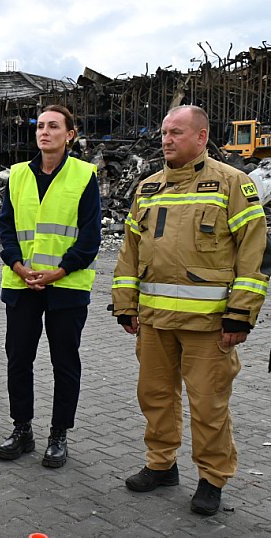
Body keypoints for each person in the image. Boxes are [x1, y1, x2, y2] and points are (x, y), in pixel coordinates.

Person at [112, 105, 268, 516]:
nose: (166, 139)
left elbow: (256, 255)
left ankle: (212, 478)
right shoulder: (147, 188)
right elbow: (129, 251)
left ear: (201, 137)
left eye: (176, 132)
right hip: (154, 322)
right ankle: (161, 465)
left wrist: (241, 314)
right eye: (164, 132)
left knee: (208, 405)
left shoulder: (233, 183)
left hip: (209, 325)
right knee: (155, 397)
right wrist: (126, 305)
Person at [0, 104, 101, 468]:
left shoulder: (84, 176)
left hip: (66, 286)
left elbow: (90, 237)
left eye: (53, 126)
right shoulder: (17, 176)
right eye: (40, 126)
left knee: (65, 362)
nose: (44, 132)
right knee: (18, 360)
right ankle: (22, 429)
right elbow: (6, 228)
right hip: (22, 283)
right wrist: (18, 265)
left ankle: (59, 434)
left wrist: (60, 271)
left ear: (69, 134)